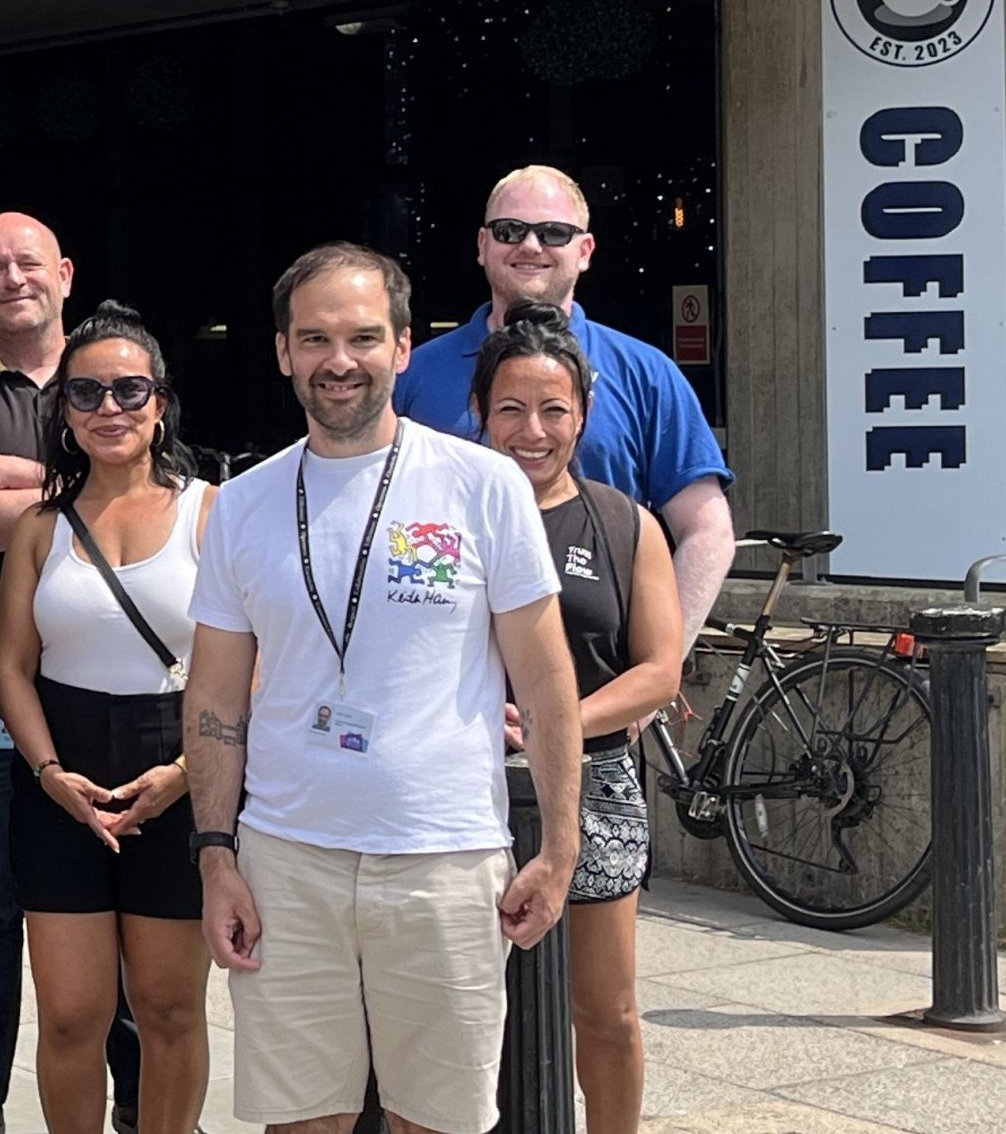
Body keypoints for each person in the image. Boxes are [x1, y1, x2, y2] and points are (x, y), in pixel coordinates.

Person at [182, 242, 583, 1134]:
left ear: (404, 348)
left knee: (436, 1122)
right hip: (284, 859)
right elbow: (215, 698)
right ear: (282, 351)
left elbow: (547, 678)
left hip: (443, 858)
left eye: (363, 337)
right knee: (300, 1121)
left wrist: (559, 847)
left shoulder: (483, 486)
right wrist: (217, 856)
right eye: (314, 338)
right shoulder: (243, 503)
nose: (339, 361)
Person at [0, 214, 143, 1134]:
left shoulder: (118, 371)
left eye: (27, 263)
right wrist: (91, 483)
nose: (12, 279)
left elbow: (157, 496)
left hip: (110, 701)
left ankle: (139, 1096)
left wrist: (20, 475)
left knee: (120, 910)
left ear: (63, 273)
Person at [0, 302, 214, 1134]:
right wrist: (49, 774)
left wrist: (190, 773)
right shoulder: (39, 527)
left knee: (168, 1010)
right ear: (65, 413)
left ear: (160, 403)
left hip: (180, 766)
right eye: (86, 392)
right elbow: (12, 666)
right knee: (72, 1016)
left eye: (129, 389)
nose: (108, 408)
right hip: (62, 774)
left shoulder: (210, 511)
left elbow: (251, 670)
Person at [474, 303, 683, 1134]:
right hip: (463, 778)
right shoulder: (446, 515)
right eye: (510, 409)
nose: (532, 430)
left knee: (608, 1013)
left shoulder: (626, 523)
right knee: (462, 1014)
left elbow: (659, 670)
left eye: (553, 409)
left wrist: (559, 721)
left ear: (583, 415)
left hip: (594, 781)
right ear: (480, 413)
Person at [393, 164, 737, 642]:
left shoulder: (645, 373)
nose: (530, 245)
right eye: (509, 230)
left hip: (600, 686)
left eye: (553, 232)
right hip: (446, 680)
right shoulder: (410, 375)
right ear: (482, 245)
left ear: (585, 251)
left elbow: (708, 530)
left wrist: (656, 670)